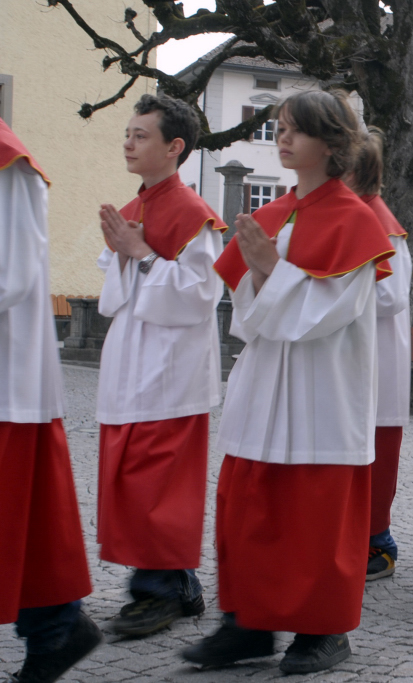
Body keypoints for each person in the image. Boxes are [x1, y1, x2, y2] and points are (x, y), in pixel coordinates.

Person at [182, 90, 395, 674]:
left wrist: (272, 269)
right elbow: (246, 318)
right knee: (251, 504)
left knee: (314, 513)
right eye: (279, 127)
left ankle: (323, 630)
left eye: (295, 129)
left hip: (324, 385)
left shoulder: (355, 219)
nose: (282, 138)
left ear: (331, 142)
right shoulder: (273, 215)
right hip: (265, 379)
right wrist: (260, 274)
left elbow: (331, 313)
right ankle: (246, 625)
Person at [95, 94, 226, 636]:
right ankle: (177, 585)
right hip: (133, 356)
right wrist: (125, 252)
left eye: (140, 135)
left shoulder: (194, 214)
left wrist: (142, 254)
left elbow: (201, 295)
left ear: (175, 147)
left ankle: (160, 591)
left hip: (172, 367)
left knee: (159, 481)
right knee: (133, 476)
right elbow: (114, 292)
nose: (128, 143)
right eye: (127, 133)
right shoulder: (135, 207)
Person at [0, 119, 100, 683]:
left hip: (7, 378)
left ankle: (56, 626)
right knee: (26, 520)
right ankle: (56, 627)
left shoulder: (7, 162)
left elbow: (10, 272)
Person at [345, 127, 413, 581]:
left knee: (377, 454)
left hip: (378, 358)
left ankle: (378, 542)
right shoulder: (353, 214)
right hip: (353, 355)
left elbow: (392, 296)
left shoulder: (381, 222)